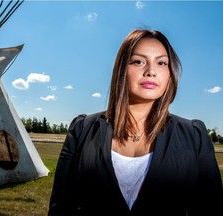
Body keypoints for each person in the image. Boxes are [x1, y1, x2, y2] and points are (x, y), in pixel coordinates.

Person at [48, 29, 223, 216]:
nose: (151, 72)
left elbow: (210, 208)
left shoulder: (194, 136)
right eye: (139, 61)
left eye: (161, 63)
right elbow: (61, 206)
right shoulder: (83, 129)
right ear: (122, 69)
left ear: (170, 74)